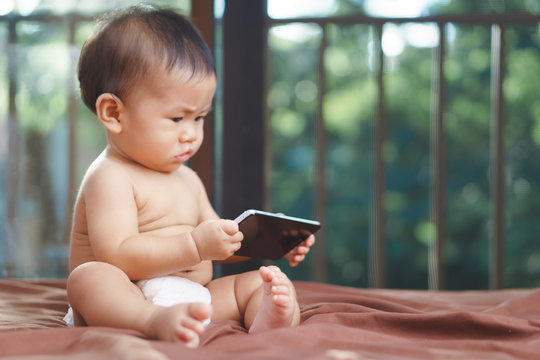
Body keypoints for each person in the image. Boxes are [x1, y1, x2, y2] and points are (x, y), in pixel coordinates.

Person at [65, 4, 315, 348]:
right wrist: (194, 245)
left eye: (199, 118)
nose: (191, 134)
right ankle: (152, 320)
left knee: (255, 283)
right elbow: (118, 254)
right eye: (176, 118)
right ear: (114, 113)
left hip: (195, 298)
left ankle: (269, 318)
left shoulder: (187, 179)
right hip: (124, 299)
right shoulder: (109, 176)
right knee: (89, 278)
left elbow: (222, 245)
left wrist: (270, 237)